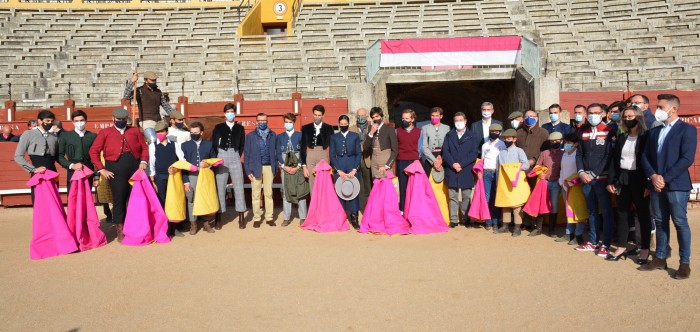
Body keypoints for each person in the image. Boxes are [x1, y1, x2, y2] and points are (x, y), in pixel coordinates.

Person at [639, 94, 695, 279]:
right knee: (661, 221)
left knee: (680, 222)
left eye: (661, 107)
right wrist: (653, 176)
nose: (658, 109)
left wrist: (664, 178)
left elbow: (686, 159)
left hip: (676, 184)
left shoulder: (686, 130)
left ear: (673, 109)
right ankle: (660, 257)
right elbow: (645, 156)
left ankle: (684, 263)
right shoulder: (654, 131)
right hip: (656, 184)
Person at [89, 108, 149, 242]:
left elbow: (144, 147)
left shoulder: (134, 131)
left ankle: (134, 226)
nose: (121, 122)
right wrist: (101, 169)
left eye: (123, 120)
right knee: (119, 199)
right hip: (115, 168)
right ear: (113, 119)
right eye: (118, 120)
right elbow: (94, 151)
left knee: (135, 198)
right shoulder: (105, 132)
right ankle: (120, 228)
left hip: (134, 166)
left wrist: (144, 161)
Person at [605, 106, 651, 261]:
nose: (628, 119)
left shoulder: (646, 136)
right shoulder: (622, 137)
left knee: (643, 215)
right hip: (623, 179)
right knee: (622, 213)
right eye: (625, 117)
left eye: (631, 116)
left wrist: (648, 184)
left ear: (639, 117)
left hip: (640, 180)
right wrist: (611, 180)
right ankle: (622, 247)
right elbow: (615, 160)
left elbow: (650, 161)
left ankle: (644, 249)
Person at [574, 103, 615, 256]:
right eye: (590, 113)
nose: (592, 115)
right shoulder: (583, 132)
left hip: (601, 178)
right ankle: (592, 241)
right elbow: (579, 154)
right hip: (585, 179)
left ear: (603, 114)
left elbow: (608, 156)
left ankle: (606, 244)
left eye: (596, 113)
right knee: (591, 211)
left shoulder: (610, 131)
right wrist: (581, 172)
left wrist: (594, 173)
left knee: (606, 211)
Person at [441, 112, 479, 228]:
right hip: (452, 170)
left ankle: (466, 218)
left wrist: (461, 164)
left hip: (466, 169)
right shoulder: (449, 135)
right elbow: (445, 151)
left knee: (466, 196)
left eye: (461, 120)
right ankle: (453, 220)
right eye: (456, 120)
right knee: (453, 196)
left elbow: (473, 153)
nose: (459, 122)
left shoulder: (471, 136)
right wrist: (453, 164)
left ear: (465, 121)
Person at [212, 103, 247, 229]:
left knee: (239, 186)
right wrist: (217, 158)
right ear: (224, 113)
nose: (230, 114)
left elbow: (242, 145)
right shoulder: (218, 127)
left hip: (235, 155)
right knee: (220, 187)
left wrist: (236, 154)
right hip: (221, 156)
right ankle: (218, 216)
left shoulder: (240, 128)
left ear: (235, 113)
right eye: (228, 112)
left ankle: (241, 216)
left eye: (232, 111)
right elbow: (214, 143)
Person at [14, 110, 59, 204]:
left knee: (54, 203)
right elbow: (18, 156)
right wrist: (33, 169)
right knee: (40, 202)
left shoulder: (54, 137)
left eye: (51, 121)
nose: (49, 123)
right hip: (38, 174)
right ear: (39, 120)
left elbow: (57, 157)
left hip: (52, 173)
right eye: (47, 121)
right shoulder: (28, 134)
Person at [149, 121, 185, 237]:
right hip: (160, 176)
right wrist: (153, 180)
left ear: (167, 132)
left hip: (173, 176)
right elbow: (152, 164)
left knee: (174, 201)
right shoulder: (153, 145)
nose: (160, 134)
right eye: (157, 132)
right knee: (162, 201)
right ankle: (164, 227)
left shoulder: (174, 144)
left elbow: (182, 160)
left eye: (162, 132)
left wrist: (175, 168)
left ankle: (174, 227)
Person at [182, 122, 217, 234]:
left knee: (205, 198)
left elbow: (214, 159)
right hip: (191, 176)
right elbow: (183, 165)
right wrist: (186, 182)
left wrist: (208, 164)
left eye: (196, 133)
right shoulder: (185, 145)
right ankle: (193, 224)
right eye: (192, 133)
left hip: (205, 175)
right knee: (191, 199)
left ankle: (206, 223)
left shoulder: (209, 144)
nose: (193, 134)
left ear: (201, 132)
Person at [494, 129, 530, 236]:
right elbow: (498, 169)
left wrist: (513, 168)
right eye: (505, 139)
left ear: (515, 139)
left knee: (516, 205)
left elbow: (526, 165)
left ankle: (517, 227)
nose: (506, 140)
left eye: (509, 138)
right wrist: (497, 184)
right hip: (504, 182)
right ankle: (505, 225)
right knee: (505, 203)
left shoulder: (519, 151)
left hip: (516, 182)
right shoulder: (501, 153)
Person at [244, 113, 277, 228]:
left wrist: (275, 168)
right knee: (256, 194)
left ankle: (269, 217)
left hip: (269, 167)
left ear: (267, 121)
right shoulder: (250, 136)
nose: (262, 122)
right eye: (260, 121)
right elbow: (246, 155)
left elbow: (275, 153)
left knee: (269, 194)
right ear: (256, 121)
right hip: (255, 168)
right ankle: (257, 218)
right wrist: (248, 171)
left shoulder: (273, 135)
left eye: (264, 121)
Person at [123, 70, 174, 143]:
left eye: (155, 80)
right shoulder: (139, 91)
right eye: (152, 80)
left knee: (165, 140)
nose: (154, 82)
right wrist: (131, 82)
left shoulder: (158, 92)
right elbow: (126, 96)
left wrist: (175, 116)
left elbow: (166, 106)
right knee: (153, 139)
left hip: (158, 120)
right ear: (145, 80)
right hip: (146, 121)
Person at [330, 115, 362, 229]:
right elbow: (332, 155)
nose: (343, 125)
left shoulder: (355, 136)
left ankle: (354, 218)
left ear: (348, 123)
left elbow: (359, 153)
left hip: (352, 163)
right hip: (340, 164)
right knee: (340, 192)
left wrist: (355, 169)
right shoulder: (334, 137)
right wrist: (338, 170)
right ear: (339, 124)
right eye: (341, 124)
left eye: (345, 124)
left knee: (354, 192)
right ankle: (341, 217)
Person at [555, 133, 588, 245]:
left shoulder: (578, 155)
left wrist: (572, 183)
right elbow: (562, 169)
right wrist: (561, 181)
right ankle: (569, 233)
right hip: (565, 186)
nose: (567, 145)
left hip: (575, 187)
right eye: (566, 142)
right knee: (568, 210)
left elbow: (579, 171)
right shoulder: (565, 154)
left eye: (569, 143)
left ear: (576, 144)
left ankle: (578, 235)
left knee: (577, 210)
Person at [420, 107, 451, 224]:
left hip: (443, 156)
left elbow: (448, 146)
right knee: (428, 186)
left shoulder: (447, 128)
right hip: (430, 158)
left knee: (444, 185)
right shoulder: (425, 128)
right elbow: (424, 147)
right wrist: (434, 160)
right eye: (432, 116)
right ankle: (429, 213)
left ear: (441, 116)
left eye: (437, 116)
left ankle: (444, 213)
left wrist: (442, 159)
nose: (434, 118)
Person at [277, 113, 308, 227]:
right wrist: (285, 167)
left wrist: (298, 165)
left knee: (301, 190)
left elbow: (304, 152)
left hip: (298, 163)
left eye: (290, 122)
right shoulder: (280, 137)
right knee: (286, 191)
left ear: (294, 122)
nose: (288, 124)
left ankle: (303, 217)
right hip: (285, 164)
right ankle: (286, 217)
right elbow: (278, 154)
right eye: (286, 122)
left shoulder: (300, 135)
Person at [57, 110, 98, 194]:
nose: (79, 123)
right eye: (76, 121)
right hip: (72, 170)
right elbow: (59, 156)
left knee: (86, 196)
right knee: (73, 196)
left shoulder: (93, 136)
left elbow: (97, 157)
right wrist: (71, 165)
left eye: (81, 120)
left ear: (86, 121)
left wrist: (96, 176)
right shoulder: (65, 136)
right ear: (72, 122)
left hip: (88, 170)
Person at [532, 132, 564, 236]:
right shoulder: (544, 153)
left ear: (561, 141)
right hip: (544, 182)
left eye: (556, 141)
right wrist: (540, 173)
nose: (554, 143)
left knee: (554, 206)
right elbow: (537, 166)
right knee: (541, 203)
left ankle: (551, 230)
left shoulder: (564, 154)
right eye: (552, 141)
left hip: (556, 182)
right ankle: (538, 229)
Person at [301, 104, 334, 193]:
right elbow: (303, 147)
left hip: (323, 154)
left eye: (319, 115)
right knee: (312, 182)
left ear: (323, 115)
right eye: (315, 115)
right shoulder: (306, 128)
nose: (317, 117)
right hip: (310, 154)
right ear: (313, 114)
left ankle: (323, 205)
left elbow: (332, 146)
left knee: (324, 181)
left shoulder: (329, 128)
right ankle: (314, 205)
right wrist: (304, 166)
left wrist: (332, 163)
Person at [395, 109, 422, 212]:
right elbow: (396, 146)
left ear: (412, 119)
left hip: (414, 162)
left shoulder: (419, 131)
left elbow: (420, 148)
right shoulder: (397, 131)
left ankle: (414, 209)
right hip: (401, 161)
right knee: (402, 187)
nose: (404, 120)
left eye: (407, 118)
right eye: (403, 118)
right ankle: (402, 209)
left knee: (415, 187)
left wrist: (417, 159)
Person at [479, 123, 505, 231]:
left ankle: (496, 221)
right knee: (487, 197)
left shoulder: (502, 144)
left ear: (500, 133)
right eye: (492, 131)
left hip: (498, 172)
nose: (494, 133)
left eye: (496, 132)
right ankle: (488, 221)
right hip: (487, 172)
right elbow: (482, 160)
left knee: (497, 197)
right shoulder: (485, 145)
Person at [364, 107, 398, 179]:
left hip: (385, 160)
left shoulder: (389, 129)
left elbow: (395, 150)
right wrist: (371, 133)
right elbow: (366, 147)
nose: (375, 119)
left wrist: (387, 165)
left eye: (377, 116)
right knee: (376, 186)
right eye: (373, 117)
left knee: (386, 185)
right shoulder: (370, 128)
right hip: (374, 162)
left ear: (381, 116)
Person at [349, 107, 372, 210]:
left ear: (367, 117)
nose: (360, 117)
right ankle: (355, 209)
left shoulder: (372, 128)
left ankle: (368, 208)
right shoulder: (351, 129)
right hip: (355, 161)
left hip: (368, 160)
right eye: (358, 116)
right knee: (355, 185)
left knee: (368, 186)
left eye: (363, 115)